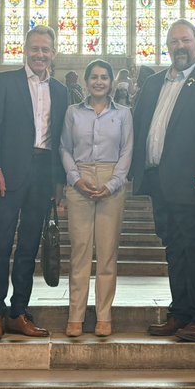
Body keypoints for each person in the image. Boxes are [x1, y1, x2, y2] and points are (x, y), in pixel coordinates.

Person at [131, 20, 195, 342]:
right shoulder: (154, 83)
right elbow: (140, 125)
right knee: (175, 248)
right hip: (160, 181)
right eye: (173, 41)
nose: (179, 46)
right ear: (167, 47)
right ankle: (180, 313)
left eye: (185, 40)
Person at [0, 25, 69, 341]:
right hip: (8, 173)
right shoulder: (5, 83)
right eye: (34, 48)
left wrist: (58, 182)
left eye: (45, 49)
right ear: (25, 50)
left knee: (29, 246)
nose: (39, 54)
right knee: (0, 244)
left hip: (43, 174)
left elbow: (60, 139)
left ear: (53, 54)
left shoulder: (61, 90)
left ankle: (19, 312)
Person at [59, 59, 133, 337]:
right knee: (80, 251)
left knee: (107, 252)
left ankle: (104, 315)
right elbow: (64, 147)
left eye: (104, 77)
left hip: (111, 180)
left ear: (111, 83)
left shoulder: (123, 114)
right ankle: (75, 316)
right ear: (86, 81)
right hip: (80, 179)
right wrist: (75, 178)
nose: (99, 82)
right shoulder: (73, 112)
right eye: (94, 77)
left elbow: (127, 151)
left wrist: (113, 183)